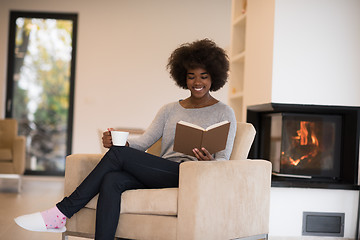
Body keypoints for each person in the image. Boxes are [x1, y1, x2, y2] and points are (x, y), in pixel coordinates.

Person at [14, 38, 237, 240]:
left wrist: (209, 164)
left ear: (214, 77)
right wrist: (119, 142)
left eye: (203, 76)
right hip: (163, 171)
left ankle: (61, 212)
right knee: (112, 179)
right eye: (191, 76)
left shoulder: (224, 113)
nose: (197, 82)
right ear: (183, 78)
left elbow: (223, 160)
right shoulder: (169, 110)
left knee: (118, 156)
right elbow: (143, 142)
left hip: (193, 177)